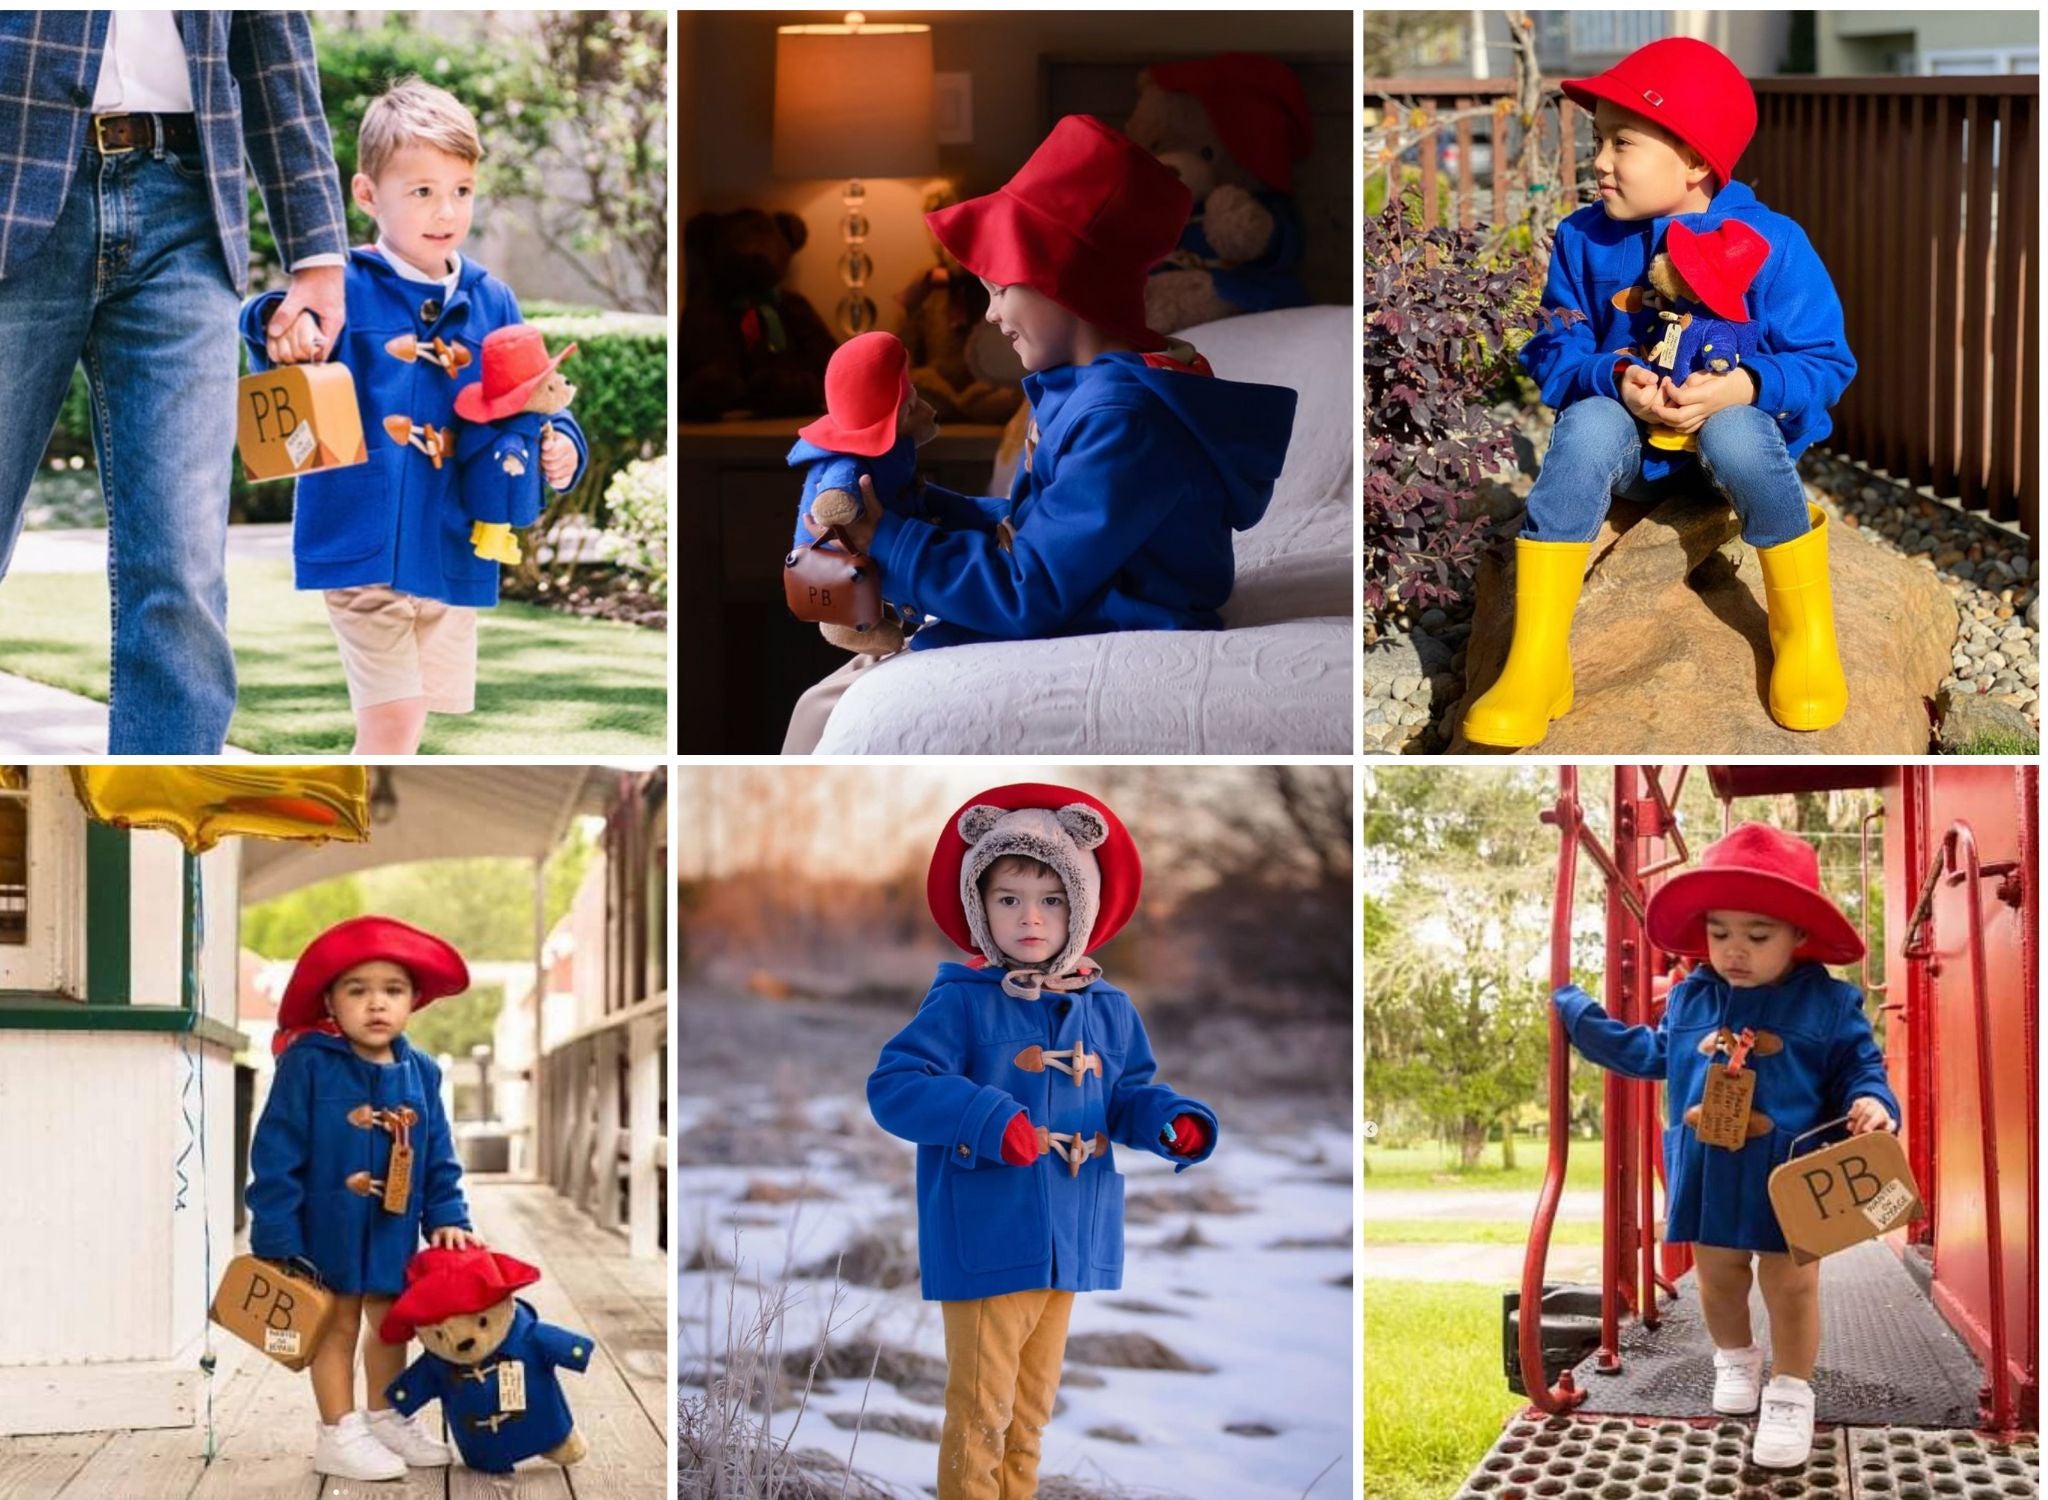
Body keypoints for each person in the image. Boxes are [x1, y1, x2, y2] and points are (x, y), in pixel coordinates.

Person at [781, 114, 1298, 753]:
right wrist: (925, 509)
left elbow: (1033, 586)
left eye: (1000, 289)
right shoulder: (1085, 394)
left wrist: (892, 539)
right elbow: (1040, 528)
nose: (991, 313)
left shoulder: (1124, 421)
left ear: (1064, 280)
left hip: (1115, 612)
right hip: (1089, 594)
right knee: (821, 704)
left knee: (826, 708)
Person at [1464, 36, 1857, 748]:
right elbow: (1552, 347)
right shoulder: (1582, 237)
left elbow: (1826, 362)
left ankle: (1803, 633)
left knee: (1738, 430)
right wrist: (1612, 377)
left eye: (1622, 143)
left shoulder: (1772, 242)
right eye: (1598, 140)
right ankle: (1537, 657)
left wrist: (1746, 384)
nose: (1599, 160)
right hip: (1630, 454)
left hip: (1729, 460)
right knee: (1587, 423)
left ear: (1696, 160)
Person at [0, 13, 348, 752]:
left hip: (185, 205)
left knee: (182, 565)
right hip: (12, 184)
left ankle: (164, 812)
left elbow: (274, 53)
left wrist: (317, 251)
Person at [868, 784, 1219, 1499]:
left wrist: (1168, 1120)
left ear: (1080, 909)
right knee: (982, 1414)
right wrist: (987, 1119)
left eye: (1052, 900)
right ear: (979, 906)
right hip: (988, 1234)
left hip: (1072, 1236)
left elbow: (1127, 1093)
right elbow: (895, 1085)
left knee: (1029, 1417)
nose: (1030, 917)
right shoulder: (961, 999)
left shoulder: (1108, 1008)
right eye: (1008, 899)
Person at [243, 78, 589, 754]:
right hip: (363, 541)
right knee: (394, 720)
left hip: (453, 542)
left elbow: (535, 395)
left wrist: (565, 445)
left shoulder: (492, 299)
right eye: (422, 191)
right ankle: (360, 802)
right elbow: (269, 326)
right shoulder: (344, 284)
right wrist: (280, 324)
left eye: (461, 189)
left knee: (412, 724)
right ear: (367, 194)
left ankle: (371, 796)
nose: (446, 210)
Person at [1552, 822, 1899, 1469]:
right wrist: (1579, 1016)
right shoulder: (1691, 995)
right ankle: (1736, 1358)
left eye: (1757, 936)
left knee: (1791, 1284)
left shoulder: (1828, 1003)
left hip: (1788, 1173)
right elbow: (1655, 1053)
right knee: (1716, 1276)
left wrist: (1875, 1103)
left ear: (1798, 935)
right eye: (1719, 933)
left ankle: (1791, 1392)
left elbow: (1861, 1068)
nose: (1734, 950)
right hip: (1708, 1168)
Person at [247, 916, 483, 1481]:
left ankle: (385, 1415)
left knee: (393, 1320)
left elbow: (438, 1151)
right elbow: (275, 1150)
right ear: (330, 1001)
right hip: (322, 1225)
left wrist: (447, 1214)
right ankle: (338, 1430)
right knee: (337, 1321)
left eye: (392, 990)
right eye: (357, 990)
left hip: (391, 1225)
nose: (376, 1003)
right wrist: (276, 1232)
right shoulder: (307, 1063)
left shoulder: (421, 1071)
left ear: (413, 1000)